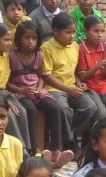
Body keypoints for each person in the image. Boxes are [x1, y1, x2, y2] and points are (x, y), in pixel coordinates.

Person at [43, 12, 103, 148]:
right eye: (67, 32)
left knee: (90, 107)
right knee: (63, 109)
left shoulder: (75, 46)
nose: (72, 36)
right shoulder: (46, 48)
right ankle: (70, 142)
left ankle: (68, 136)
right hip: (54, 88)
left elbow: (74, 71)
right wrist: (68, 89)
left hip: (72, 86)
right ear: (56, 32)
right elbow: (47, 75)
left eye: (74, 32)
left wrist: (78, 83)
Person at [9, 20, 65, 154]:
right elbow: (7, 82)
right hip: (20, 92)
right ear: (19, 39)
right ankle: (35, 147)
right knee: (31, 110)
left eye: (34, 38)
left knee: (54, 108)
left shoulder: (39, 55)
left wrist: (39, 89)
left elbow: (40, 76)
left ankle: (56, 149)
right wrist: (22, 90)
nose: (30, 41)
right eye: (26, 38)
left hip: (36, 91)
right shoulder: (12, 56)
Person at [0, 23, 31, 149]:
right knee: (8, 114)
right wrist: (6, 103)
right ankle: (20, 150)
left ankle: (27, 147)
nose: (10, 43)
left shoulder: (5, 54)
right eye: (6, 40)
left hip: (5, 92)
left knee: (22, 111)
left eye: (11, 40)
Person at [77, 15, 106, 119]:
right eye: (96, 31)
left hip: (105, 86)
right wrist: (98, 66)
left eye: (102, 31)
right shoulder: (82, 49)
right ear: (86, 32)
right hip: (89, 87)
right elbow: (82, 77)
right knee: (101, 114)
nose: (100, 35)